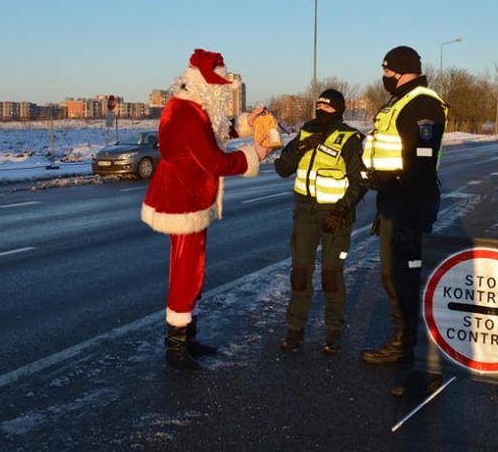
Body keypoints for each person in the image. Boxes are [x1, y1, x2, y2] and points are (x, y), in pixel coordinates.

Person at [141, 49, 270, 371]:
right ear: (204, 84)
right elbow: (214, 160)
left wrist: (246, 124)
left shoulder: (192, 107)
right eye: (219, 85)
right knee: (186, 271)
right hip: (183, 201)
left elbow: (212, 132)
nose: (223, 91)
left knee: (193, 269)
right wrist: (254, 155)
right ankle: (176, 348)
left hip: (191, 197)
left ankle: (188, 339)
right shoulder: (184, 114)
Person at [359, 46, 448, 390]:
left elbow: (421, 161)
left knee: (408, 279)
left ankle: (417, 355)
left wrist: (392, 186)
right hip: (394, 201)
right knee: (393, 276)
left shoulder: (420, 103)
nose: (383, 77)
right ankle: (403, 342)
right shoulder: (399, 101)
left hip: (410, 204)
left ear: (397, 70)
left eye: (386, 70)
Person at [273, 89, 365, 355]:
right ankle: (295, 330)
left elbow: (360, 181)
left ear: (338, 110)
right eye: (319, 107)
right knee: (300, 274)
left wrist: (341, 210)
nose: (321, 112)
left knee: (331, 275)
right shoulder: (305, 133)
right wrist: (301, 147)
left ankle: (333, 332)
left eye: (327, 107)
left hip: (336, 215)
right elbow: (282, 168)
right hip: (304, 213)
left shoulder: (350, 138)